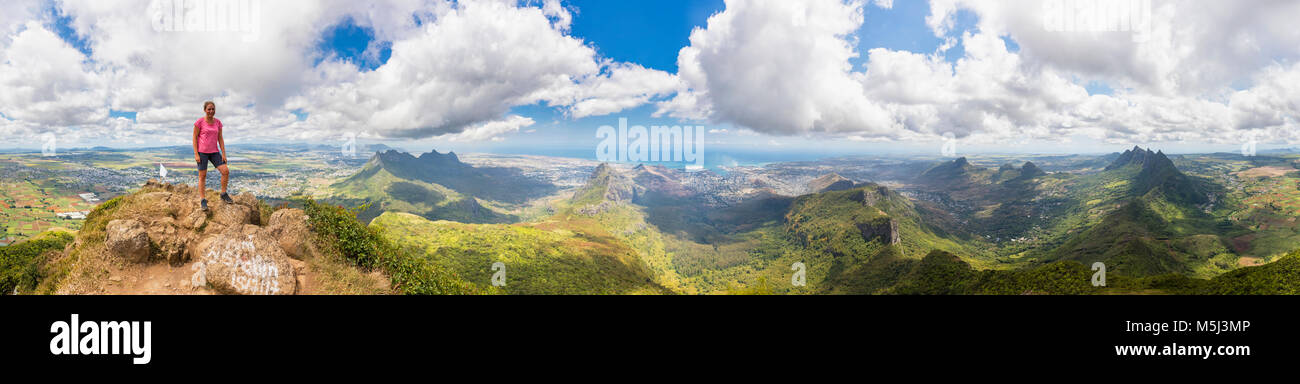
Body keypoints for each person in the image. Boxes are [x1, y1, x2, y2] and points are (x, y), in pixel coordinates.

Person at [192, 101, 231, 211]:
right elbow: (194, 138)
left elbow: (220, 139)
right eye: (209, 109)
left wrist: (223, 153)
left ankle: (223, 194)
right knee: (202, 176)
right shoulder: (199, 122)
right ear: (205, 110)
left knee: (225, 171)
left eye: (213, 109)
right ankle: (203, 200)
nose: (211, 111)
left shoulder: (218, 122)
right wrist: (196, 154)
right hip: (202, 152)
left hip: (214, 152)